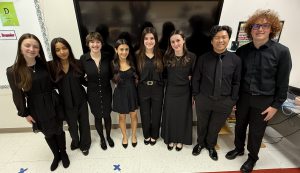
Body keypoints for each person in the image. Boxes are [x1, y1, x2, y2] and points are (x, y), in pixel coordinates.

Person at [225, 9, 292, 173]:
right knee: (239, 126)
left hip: (264, 100)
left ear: (272, 29)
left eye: (265, 25)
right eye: (256, 25)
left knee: (256, 132)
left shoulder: (282, 52)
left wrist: (276, 105)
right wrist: (234, 99)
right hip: (244, 98)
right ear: (250, 29)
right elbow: (237, 79)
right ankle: (238, 148)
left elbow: (283, 83)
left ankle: (252, 158)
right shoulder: (242, 51)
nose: (260, 29)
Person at [6, 33, 70, 171]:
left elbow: (54, 81)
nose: (32, 49)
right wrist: (25, 113)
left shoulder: (44, 64)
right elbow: (17, 94)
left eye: (35, 46)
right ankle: (56, 155)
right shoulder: (13, 71)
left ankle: (63, 153)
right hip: (36, 106)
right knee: (47, 132)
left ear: (39, 48)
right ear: (20, 48)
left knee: (58, 130)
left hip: (53, 101)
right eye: (27, 45)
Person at [192, 25, 241, 161]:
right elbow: (196, 78)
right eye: (217, 37)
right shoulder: (203, 58)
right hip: (204, 99)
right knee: (202, 124)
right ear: (212, 41)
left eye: (224, 37)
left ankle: (211, 146)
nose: (220, 40)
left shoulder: (235, 60)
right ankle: (200, 143)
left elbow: (237, 82)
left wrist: (233, 100)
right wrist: (196, 95)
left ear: (228, 39)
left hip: (225, 101)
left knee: (215, 126)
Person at [50, 37, 91, 156]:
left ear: (68, 48)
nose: (62, 52)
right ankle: (75, 141)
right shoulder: (52, 67)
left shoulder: (78, 63)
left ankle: (85, 144)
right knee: (72, 126)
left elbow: (84, 81)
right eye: (58, 50)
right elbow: (51, 86)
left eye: (64, 48)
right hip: (65, 103)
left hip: (81, 99)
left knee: (84, 123)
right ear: (54, 52)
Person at [161, 30, 196, 151]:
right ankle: (170, 138)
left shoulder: (192, 57)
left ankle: (180, 139)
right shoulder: (167, 57)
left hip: (185, 92)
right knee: (170, 115)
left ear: (183, 40)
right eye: (173, 42)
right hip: (171, 91)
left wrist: (193, 95)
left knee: (182, 117)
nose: (176, 44)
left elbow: (194, 77)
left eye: (178, 40)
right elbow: (164, 75)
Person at [80, 32, 115, 150]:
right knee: (97, 117)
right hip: (93, 93)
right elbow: (80, 77)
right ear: (88, 44)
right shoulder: (84, 58)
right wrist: (89, 84)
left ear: (101, 43)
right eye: (92, 42)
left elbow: (111, 74)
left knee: (107, 115)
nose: (95, 44)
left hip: (106, 91)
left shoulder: (107, 57)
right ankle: (102, 138)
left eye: (98, 42)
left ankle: (108, 136)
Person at [136, 27, 164, 146]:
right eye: (146, 38)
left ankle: (154, 135)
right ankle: (146, 135)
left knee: (157, 113)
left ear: (156, 39)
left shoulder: (161, 53)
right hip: (143, 89)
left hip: (158, 88)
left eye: (152, 38)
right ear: (142, 40)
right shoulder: (137, 54)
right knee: (145, 113)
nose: (149, 41)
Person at [112, 39, 139, 149]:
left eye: (126, 49)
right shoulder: (112, 64)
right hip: (120, 93)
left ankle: (133, 136)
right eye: (121, 49)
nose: (124, 52)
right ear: (116, 50)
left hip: (132, 92)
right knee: (122, 117)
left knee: (134, 115)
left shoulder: (133, 62)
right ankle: (124, 137)